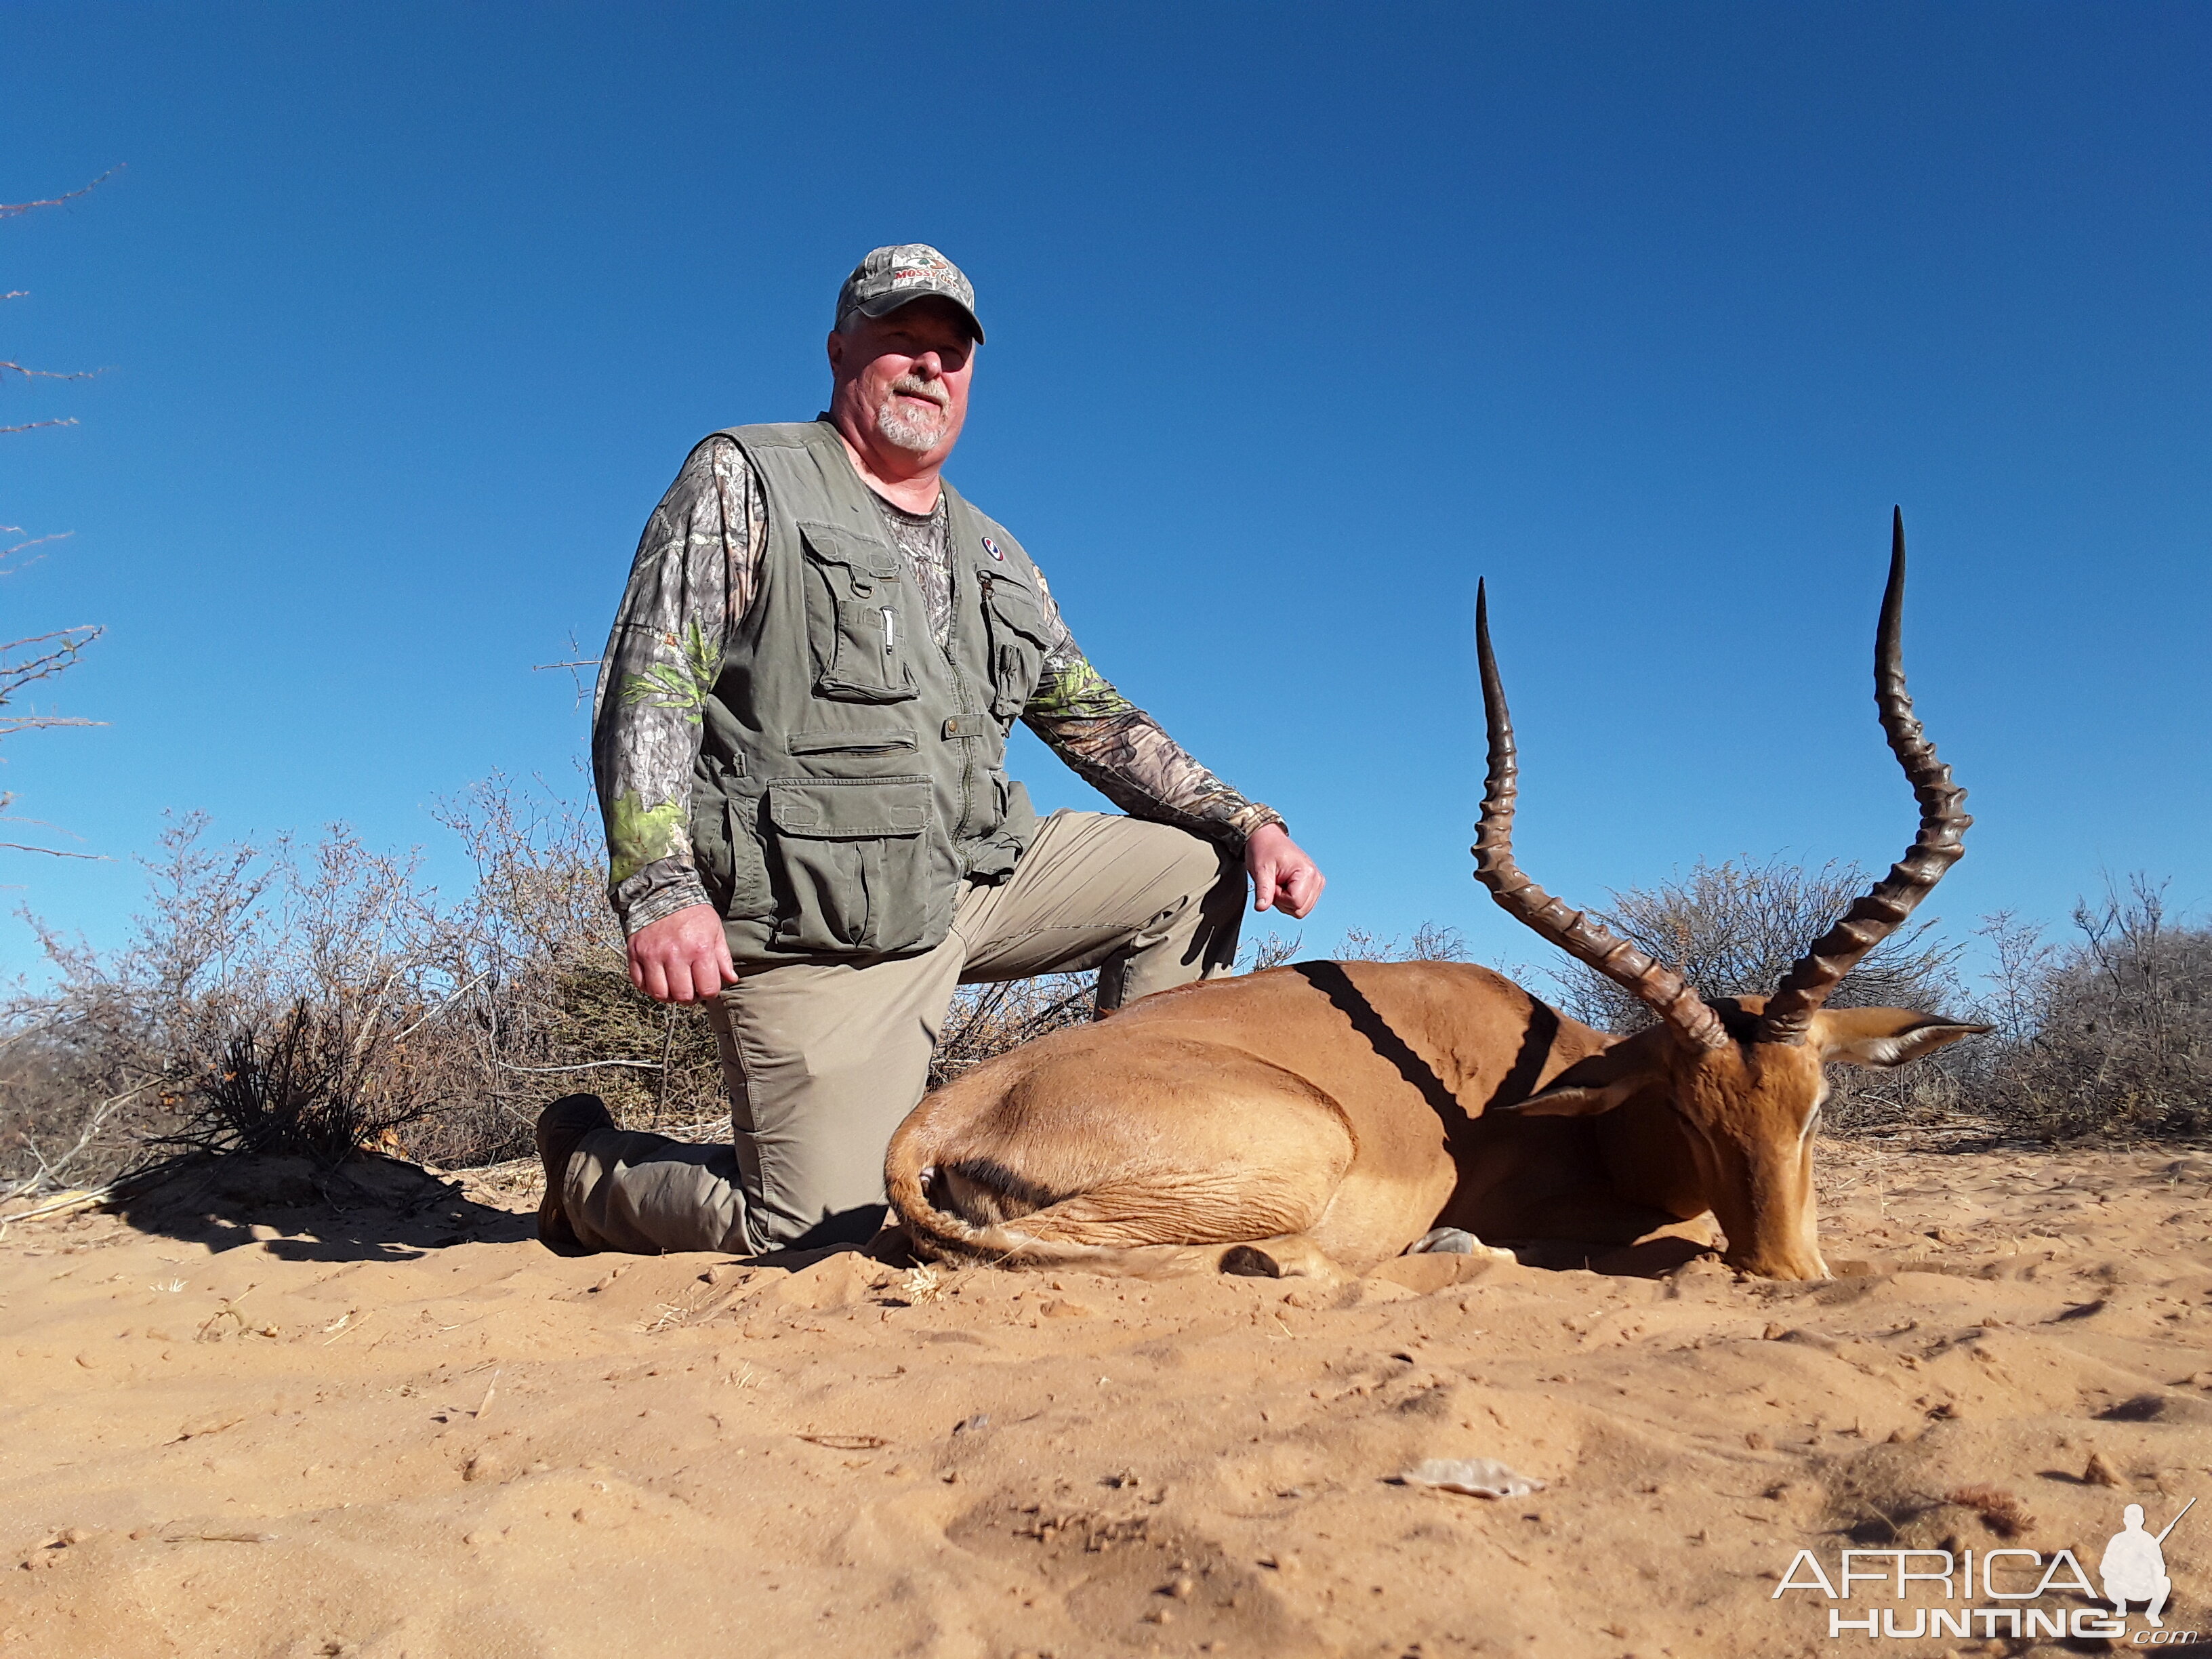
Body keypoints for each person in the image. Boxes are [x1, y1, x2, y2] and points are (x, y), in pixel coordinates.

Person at [537, 244, 1324, 1257]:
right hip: (821, 925)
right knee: (822, 1229)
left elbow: (1093, 718)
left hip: (978, 877)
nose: (928, 368)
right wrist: (659, 885)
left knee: (1196, 867)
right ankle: (588, 1171)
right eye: (900, 341)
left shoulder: (998, 551)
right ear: (839, 351)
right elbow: (651, 678)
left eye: (951, 353)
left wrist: (1251, 821)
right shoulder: (746, 476)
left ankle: (1141, 1146)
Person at [2100, 1503, 2172, 1627]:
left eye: (2137, 1520)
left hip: (2143, 1587)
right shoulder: (2118, 1540)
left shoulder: (2149, 1540)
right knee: (2109, 1582)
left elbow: (2161, 1569)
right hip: (2122, 1586)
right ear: (2125, 1521)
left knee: (2165, 1582)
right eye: (2130, 1520)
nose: (2133, 1523)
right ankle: (2121, 1605)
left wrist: (2148, 1561)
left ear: (2142, 1520)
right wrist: (2122, 1565)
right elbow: (2105, 1568)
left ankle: (2153, 1613)